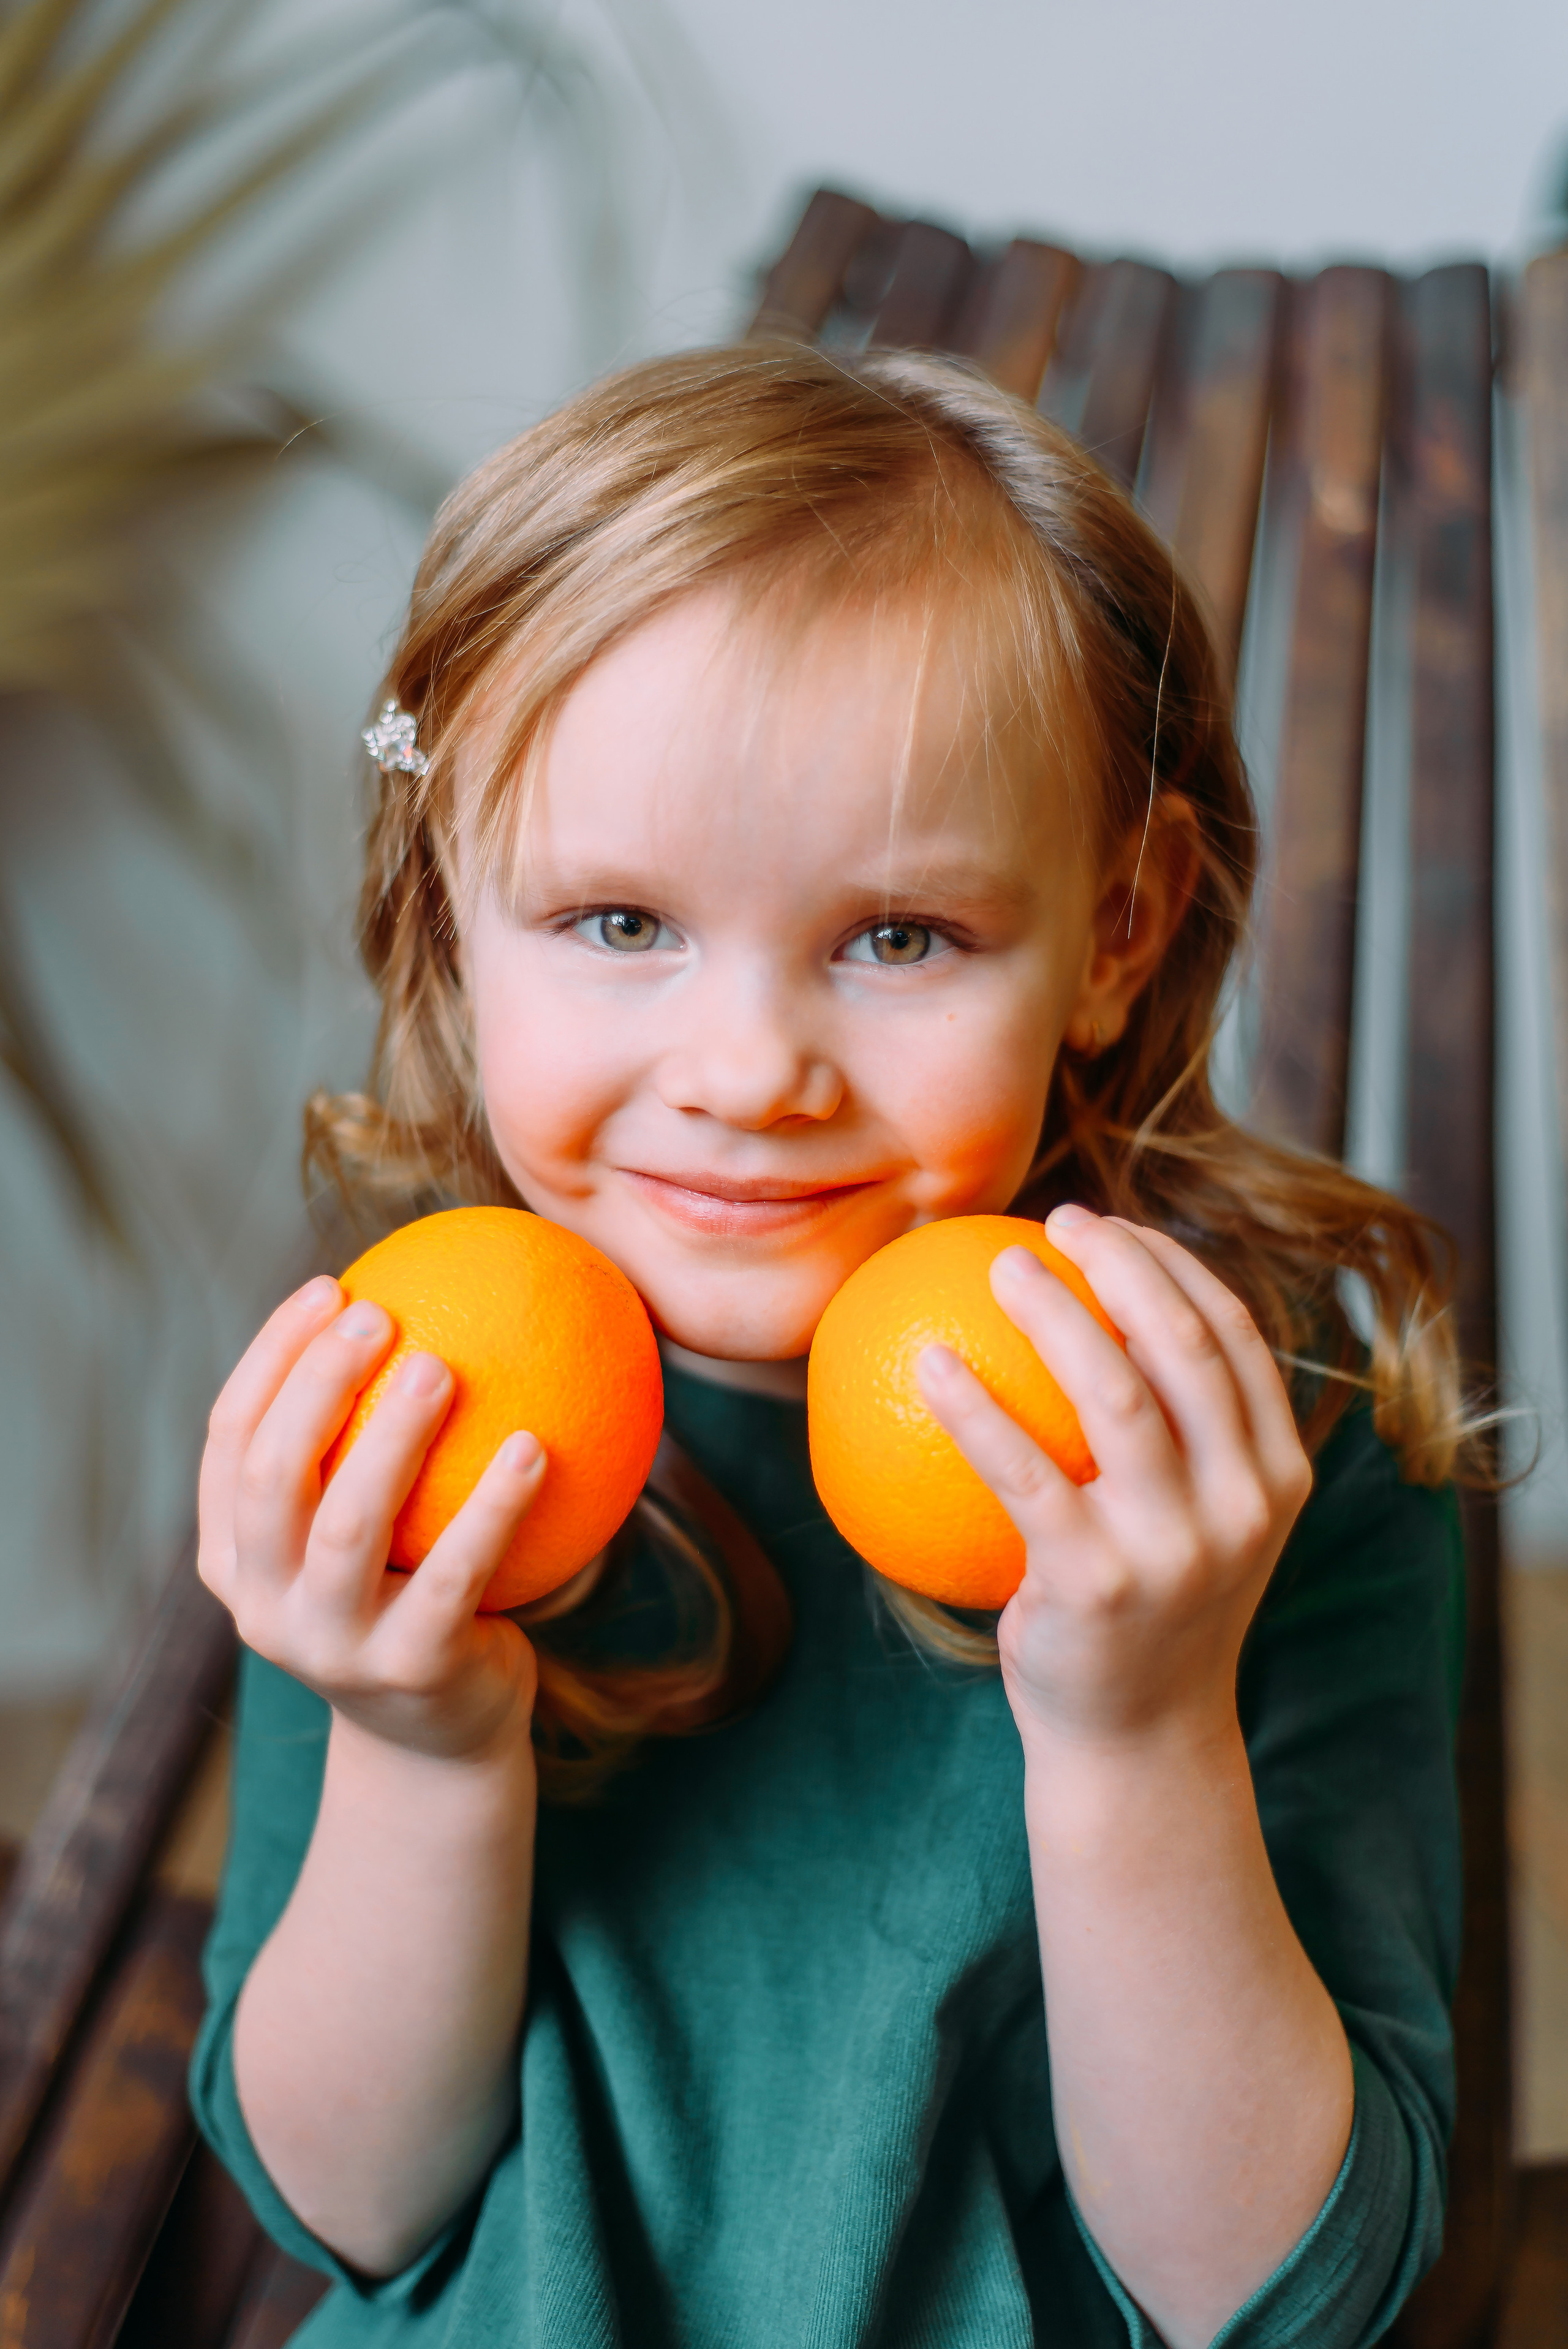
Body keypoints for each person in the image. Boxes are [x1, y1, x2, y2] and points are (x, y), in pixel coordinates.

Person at [190, 343, 1471, 2349]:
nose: (748, 1072)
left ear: (1117, 929)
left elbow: (1287, 2298)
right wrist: (418, 1739)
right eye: (621, 922)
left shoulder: (1258, 1455)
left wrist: (1142, 1728)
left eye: (898, 937)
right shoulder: (411, 1417)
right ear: (453, 901)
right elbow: (346, 2206)